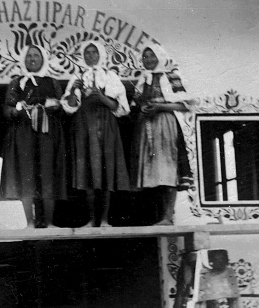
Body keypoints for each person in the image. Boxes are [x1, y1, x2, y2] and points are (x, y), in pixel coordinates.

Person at [60, 41, 131, 227]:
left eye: (94, 52)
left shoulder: (110, 76)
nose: (90, 56)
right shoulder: (78, 76)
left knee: (107, 173)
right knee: (88, 174)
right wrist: (74, 92)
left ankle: (106, 219)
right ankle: (92, 219)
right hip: (84, 126)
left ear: (100, 54)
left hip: (106, 126)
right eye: (87, 53)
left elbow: (121, 108)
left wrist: (101, 97)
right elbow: (70, 108)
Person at [1, 45, 67, 228]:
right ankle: (29, 222)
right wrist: (18, 111)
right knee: (26, 175)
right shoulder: (17, 83)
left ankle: (50, 222)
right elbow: (7, 109)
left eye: (36, 56)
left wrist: (56, 107)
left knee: (48, 175)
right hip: (23, 134)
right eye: (29, 56)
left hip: (47, 134)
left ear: (43, 59)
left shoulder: (52, 82)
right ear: (23, 59)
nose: (32, 59)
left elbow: (62, 108)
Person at [130, 44, 196, 225]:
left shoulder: (171, 76)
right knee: (152, 173)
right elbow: (137, 103)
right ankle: (159, 216)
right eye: (145, 57)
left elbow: (185, 105)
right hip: (146, 125)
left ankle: (168, 215)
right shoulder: (142, 80)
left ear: (160, 57)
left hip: (165, 124)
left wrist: (160, 107)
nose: (148, 60)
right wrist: (143, 107)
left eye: (152, 56)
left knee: (168, 169)